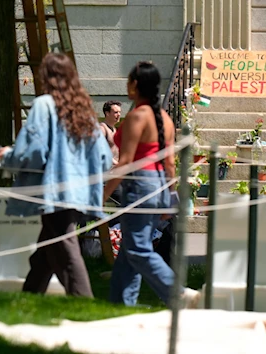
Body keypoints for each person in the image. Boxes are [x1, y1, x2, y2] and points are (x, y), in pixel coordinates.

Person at [0, 53, 112, 297]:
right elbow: (104, 158)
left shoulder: (44, 105)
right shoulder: (84, 111)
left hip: (55, 192)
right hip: (80, 192)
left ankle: (84, 302)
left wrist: (7, 156)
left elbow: (33, 151)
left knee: (66, 250)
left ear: (46, 76)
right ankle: (29, 297)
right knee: (45, 252)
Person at [103, 61, 201, 307]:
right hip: (156, 185)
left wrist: (101, 196)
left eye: (128, 80)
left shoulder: (138, 116)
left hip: (139, 186)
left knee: (137, 249)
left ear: (136, 85)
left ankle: (179, 294)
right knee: (129, 251)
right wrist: (169, 196)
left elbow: (124, 163)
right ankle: (120, 305)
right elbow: (169, 164)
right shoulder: (165, 119)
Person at [100, 100, 122, 166]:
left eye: (119, 112)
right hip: (105, 170)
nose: (119, 114)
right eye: (116, 112)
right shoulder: (102, 129)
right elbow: (99, 149)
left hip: (114, 170)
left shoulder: (115, 130)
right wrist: (115, 163)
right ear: (107, 113)